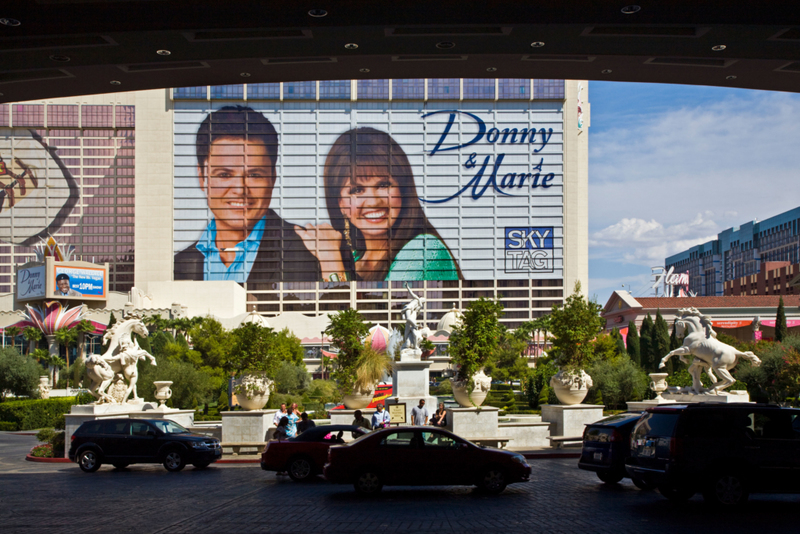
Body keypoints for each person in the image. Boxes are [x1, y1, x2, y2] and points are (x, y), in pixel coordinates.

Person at [173, 106, 320, 283]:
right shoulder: (181, 263)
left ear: (272, 178)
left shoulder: (312, 253)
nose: (240, 189)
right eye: (224, 175)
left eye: (254, 175)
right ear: (202, 178)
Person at [296, 127, 461, 282]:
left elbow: (376, 312)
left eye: (383, 185)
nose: (374, 201)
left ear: (403, 189)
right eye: (357, 190)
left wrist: (330, 258)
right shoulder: (354, 258)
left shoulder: (424, 250)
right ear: (340, 203)